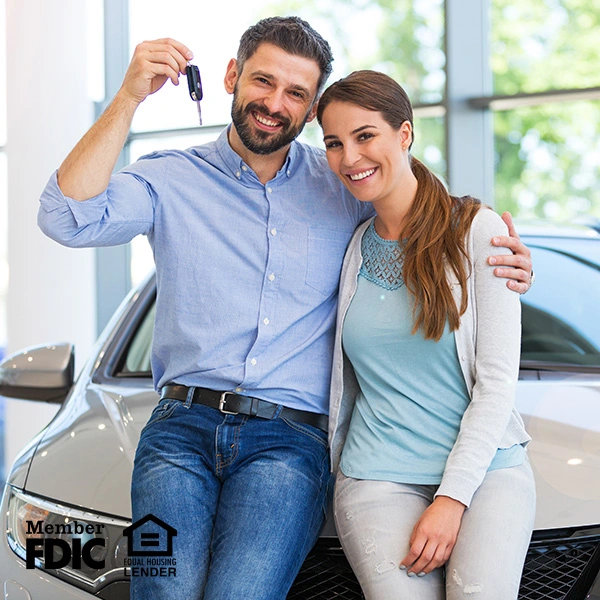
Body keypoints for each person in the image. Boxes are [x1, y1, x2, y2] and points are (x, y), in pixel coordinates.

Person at [37, 17, 533, 600]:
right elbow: (64, 217)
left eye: (296, 93)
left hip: (288, 442)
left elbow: (422, 229)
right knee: (162, 594)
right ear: (231, 76)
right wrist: (128, 98)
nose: (275, 103)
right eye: (263, 81)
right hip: (176, 435)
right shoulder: (168, 180)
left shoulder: (342, 187)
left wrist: (500, 255)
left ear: (310, 106)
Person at [317, 70, 536, 600]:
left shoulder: (476, 231)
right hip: (375, 475)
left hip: (487, 474)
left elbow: (497, 382)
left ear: (405, 134)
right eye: (334, 143)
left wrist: (452, 499)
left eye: (365, 136)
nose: (350, 157)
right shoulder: (348, 247)